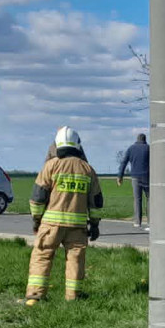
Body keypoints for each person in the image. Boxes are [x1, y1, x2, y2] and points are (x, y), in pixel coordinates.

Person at [24, 126, 103, 305]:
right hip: (77, 227)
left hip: (51, 225)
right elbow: (96, 202)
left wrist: (36, 221)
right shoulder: (87, 169)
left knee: (42, 256)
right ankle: (72, 297)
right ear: (78, 145)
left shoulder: (50, 166)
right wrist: (95, 224)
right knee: (75, 260)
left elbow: (37, 198)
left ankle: (35, 297)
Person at [117, 133, 150, 230]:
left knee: (137, 199)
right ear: (145, 139)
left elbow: (124, 162)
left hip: (135, 177)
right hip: (147, 176)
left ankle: (137, 222)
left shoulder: (131, 148)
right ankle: (150, 223)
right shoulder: (149, 148)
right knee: (149, 199)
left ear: (137, 139)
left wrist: (120, 176)